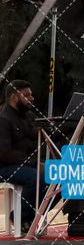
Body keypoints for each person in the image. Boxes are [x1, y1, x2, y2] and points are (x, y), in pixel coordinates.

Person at [0, 80, 51, 233]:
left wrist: (72, 122)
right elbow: (3, 152)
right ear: (14, 97)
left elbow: (49, 134)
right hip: (4, 166)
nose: (32, 98)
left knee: (62, 177)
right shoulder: (3, 118)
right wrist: (34, 164)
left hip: (25, 164)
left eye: (31, 94)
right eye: (27, 95)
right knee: (38, 178)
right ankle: (21, 218)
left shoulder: (28, 116)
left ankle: (31, 216)